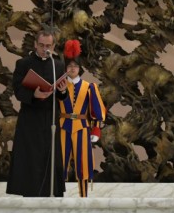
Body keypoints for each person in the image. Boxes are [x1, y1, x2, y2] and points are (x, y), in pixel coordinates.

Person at [6, 29, 68, 197]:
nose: (44, 49)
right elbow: (18, 90)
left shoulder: (58, 65)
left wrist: (63, 91)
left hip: (50, 118)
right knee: (31, 157)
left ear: (53, 46)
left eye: (48, 46)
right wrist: (34, 94)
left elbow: (62, 96)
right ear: (35, 44)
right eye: (41, 45)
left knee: (50, 154)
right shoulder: (23, 63)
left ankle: (51, 193)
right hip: (30, 118)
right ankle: (31, 193)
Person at [59, 39, 106, 197]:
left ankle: (83, 197)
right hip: (63, 126)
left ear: (80, 68)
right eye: (69, 66)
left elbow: (97, 109)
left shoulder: (89, 87)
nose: (72, 68)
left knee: (83, 162)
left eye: (75, 66)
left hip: (82, 127)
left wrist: (96, 129)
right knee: (60, 162)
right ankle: (59, 196)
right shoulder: (59, 85)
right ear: (66, 68)